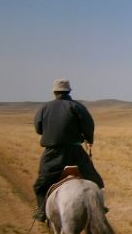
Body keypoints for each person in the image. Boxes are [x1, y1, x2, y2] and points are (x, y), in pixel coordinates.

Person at [32, 79, 105, 222]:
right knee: (95, 181)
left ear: (54, 92)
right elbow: (88, 126)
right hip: (75, 152)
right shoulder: (77, 107)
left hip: (52, 154)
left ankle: (41, 211)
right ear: (69, 91)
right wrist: (89, 139)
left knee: (41, 184)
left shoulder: (44, 108)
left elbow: (38, 129)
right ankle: (100, 208)